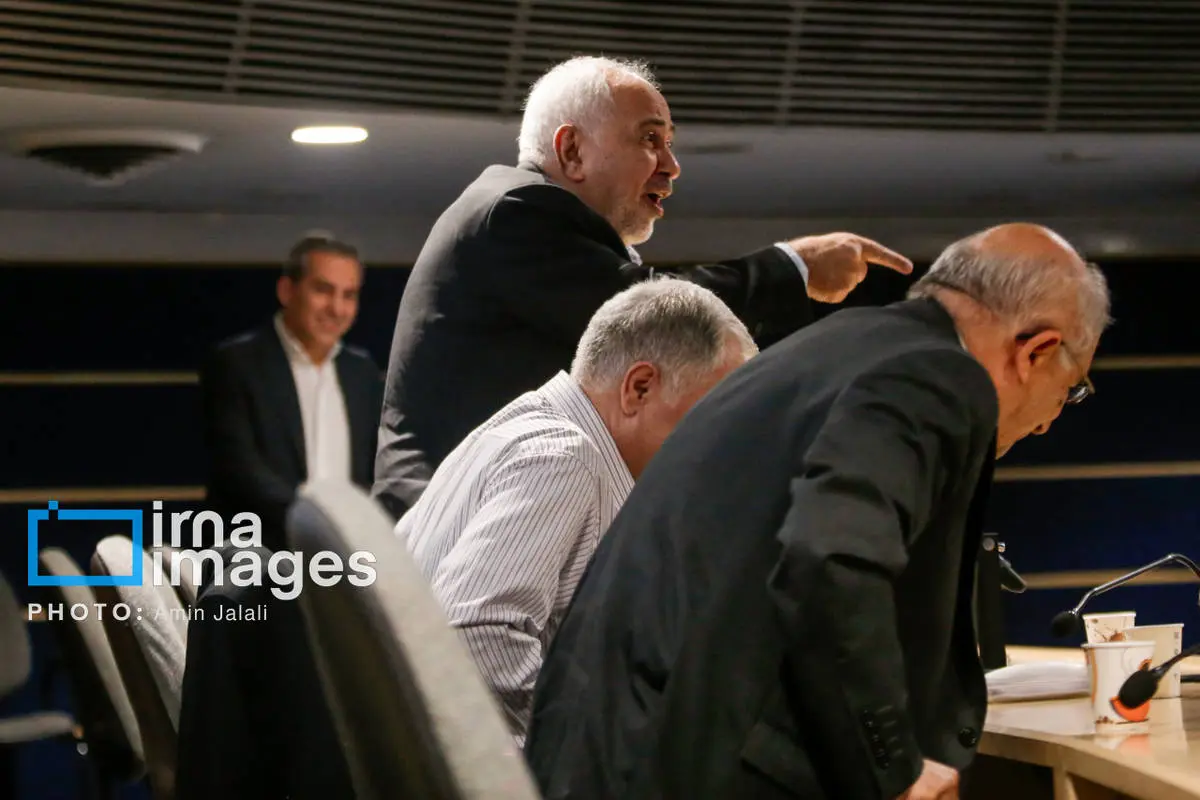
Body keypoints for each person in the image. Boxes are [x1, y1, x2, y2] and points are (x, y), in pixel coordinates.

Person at [524, 223, 1111, 800]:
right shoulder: (936, 375)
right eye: (1072, 389)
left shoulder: (830, 347)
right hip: (690, 765)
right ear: (1037, 350)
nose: (1050, 421)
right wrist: (895, 767)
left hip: (607, 749)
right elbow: (829, 560)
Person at [372, 54, 913, 519]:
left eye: (669, 143)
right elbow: (653, 316)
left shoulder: (531, 220)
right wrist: (793, 268)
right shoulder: (516, 210)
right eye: (650, 139)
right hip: (451, 540)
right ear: (572, 150)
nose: (672, 167)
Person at [397, 278, 756, 745]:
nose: (717, 450)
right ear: (640, 387)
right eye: (712, 418)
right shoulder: (565, 457)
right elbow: (477, 636)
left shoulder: (520, 430)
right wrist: (596, 756)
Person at [200, 233, 383, 551]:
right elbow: (239, 471)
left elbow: (374, 469)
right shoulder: (236, 363)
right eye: (323, 290)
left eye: (349, 295)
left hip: (347, 555)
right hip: (256, 556)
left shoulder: (362, 371)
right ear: (287, 291)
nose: (337, 308)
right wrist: (317, 526)